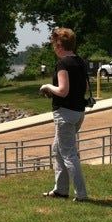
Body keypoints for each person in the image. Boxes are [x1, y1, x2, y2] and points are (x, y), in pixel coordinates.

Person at [39, 27, 89, 202]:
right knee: (57, 149)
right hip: (78, 112)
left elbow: (63, 90)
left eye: (54, 45)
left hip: (65, 114)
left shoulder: (63, 63)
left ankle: (81, 194)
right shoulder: (80, 62)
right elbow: (86, 89)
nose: (54, 48)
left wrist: (47, 87)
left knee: (68, 154)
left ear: (60, 45)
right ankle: (60, 190)